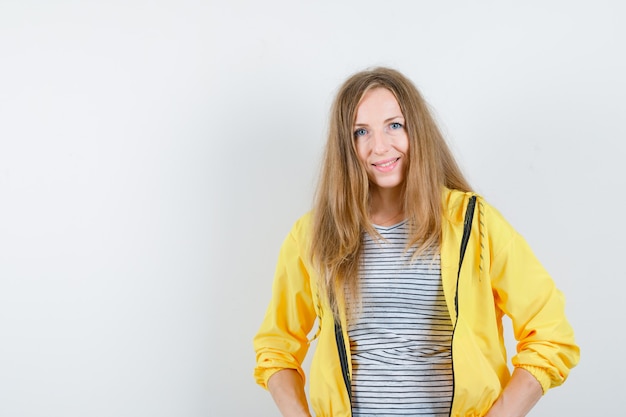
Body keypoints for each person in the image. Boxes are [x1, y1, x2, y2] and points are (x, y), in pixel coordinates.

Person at [253, 67, 579, 417]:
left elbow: (550, 333)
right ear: (345, 146)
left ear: (417, 130)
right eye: (361, 131)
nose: (380, 146)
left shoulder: (473, 223)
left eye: (394, 125)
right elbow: (277, 348)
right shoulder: (314, 236)